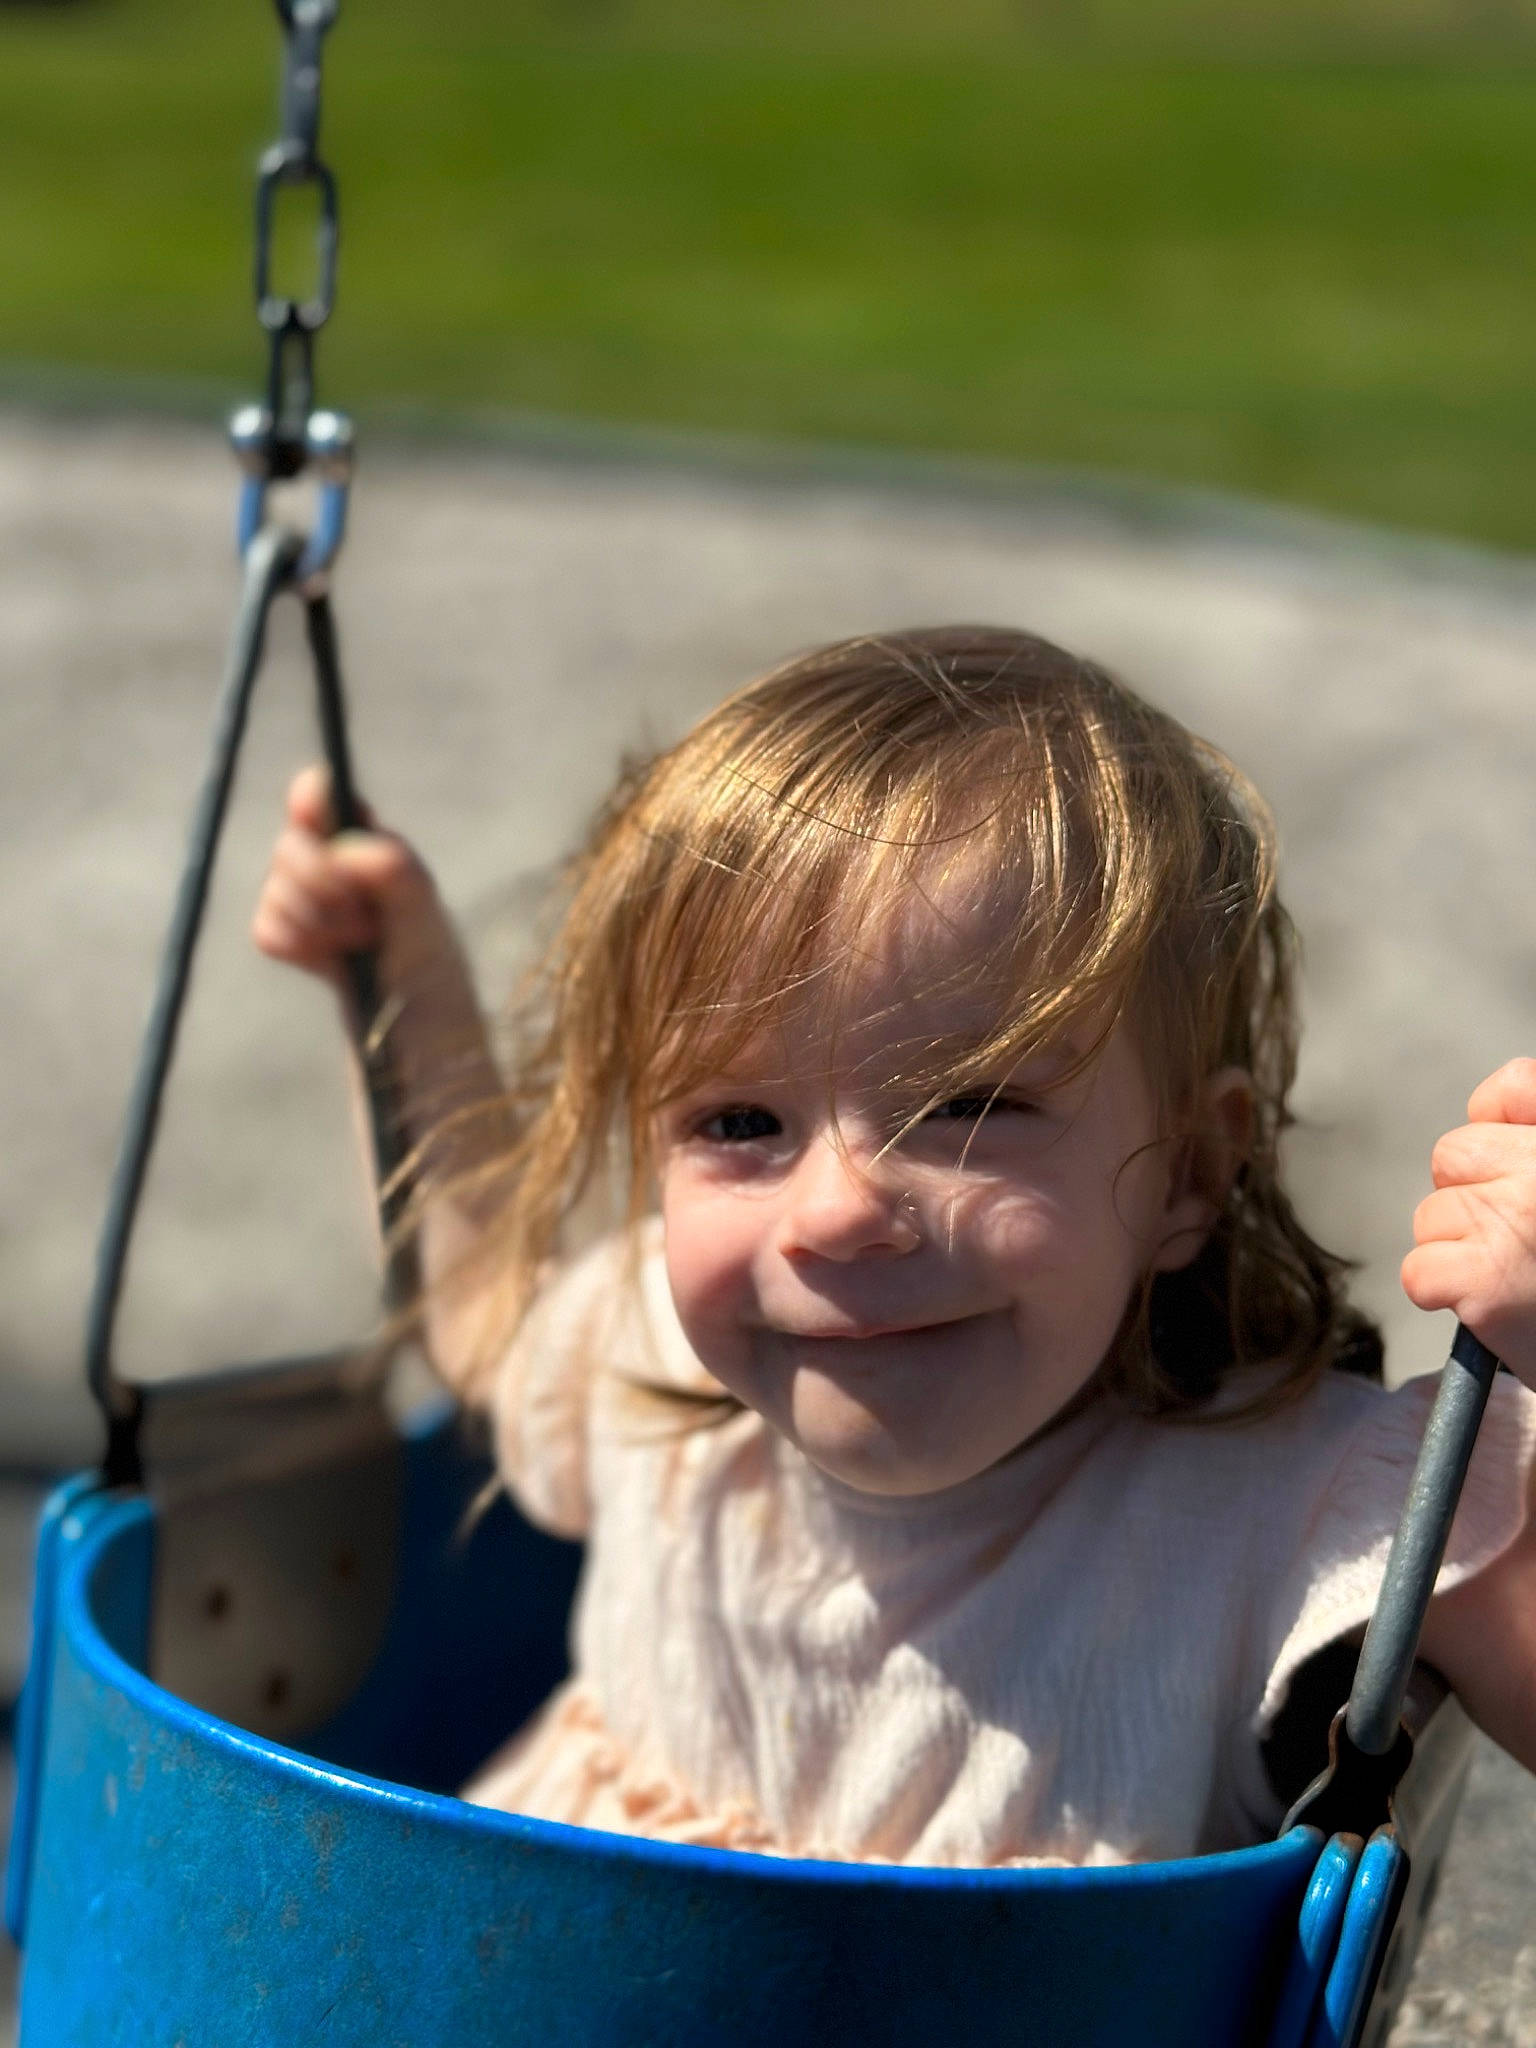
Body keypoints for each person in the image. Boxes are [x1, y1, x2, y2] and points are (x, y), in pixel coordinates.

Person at [253, 624, 1536, 1869]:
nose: (835, 1212)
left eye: (967, 1107)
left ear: (1191, 1172)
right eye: (739, 1122)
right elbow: (484, 1313)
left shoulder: (1288, 1512)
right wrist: (403, 985)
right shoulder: (661, 1375)